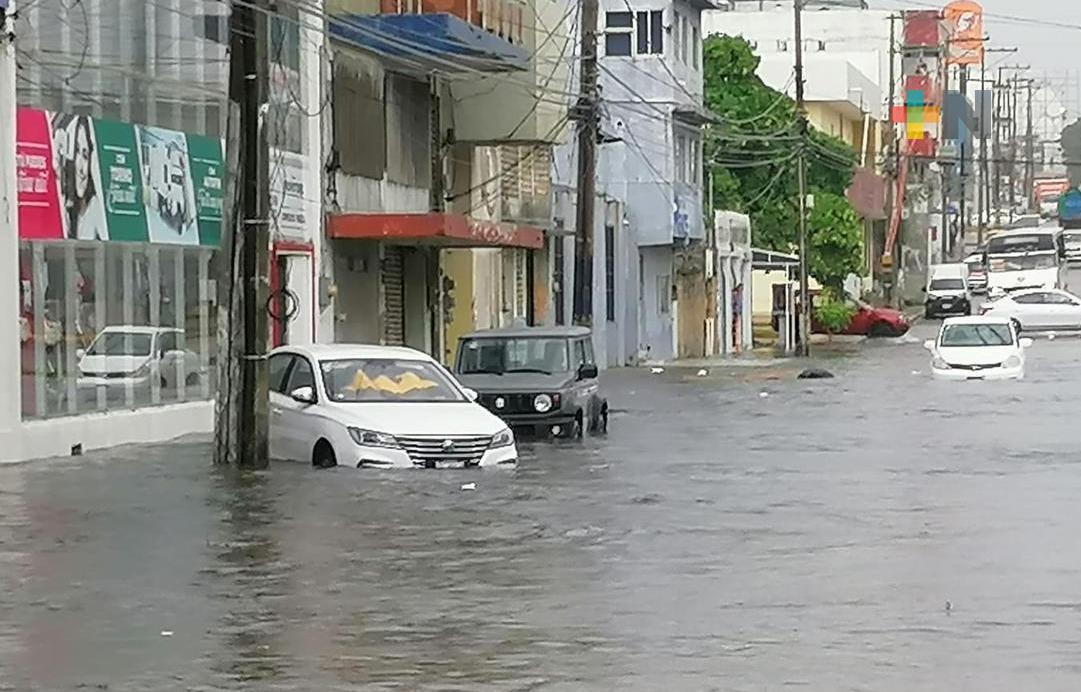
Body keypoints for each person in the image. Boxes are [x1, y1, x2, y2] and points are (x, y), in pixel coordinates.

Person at [62, 116, 106, 240]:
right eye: (76, 152)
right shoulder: (66, 209)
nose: (81, 168)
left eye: (86, 156)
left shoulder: (96, 208)